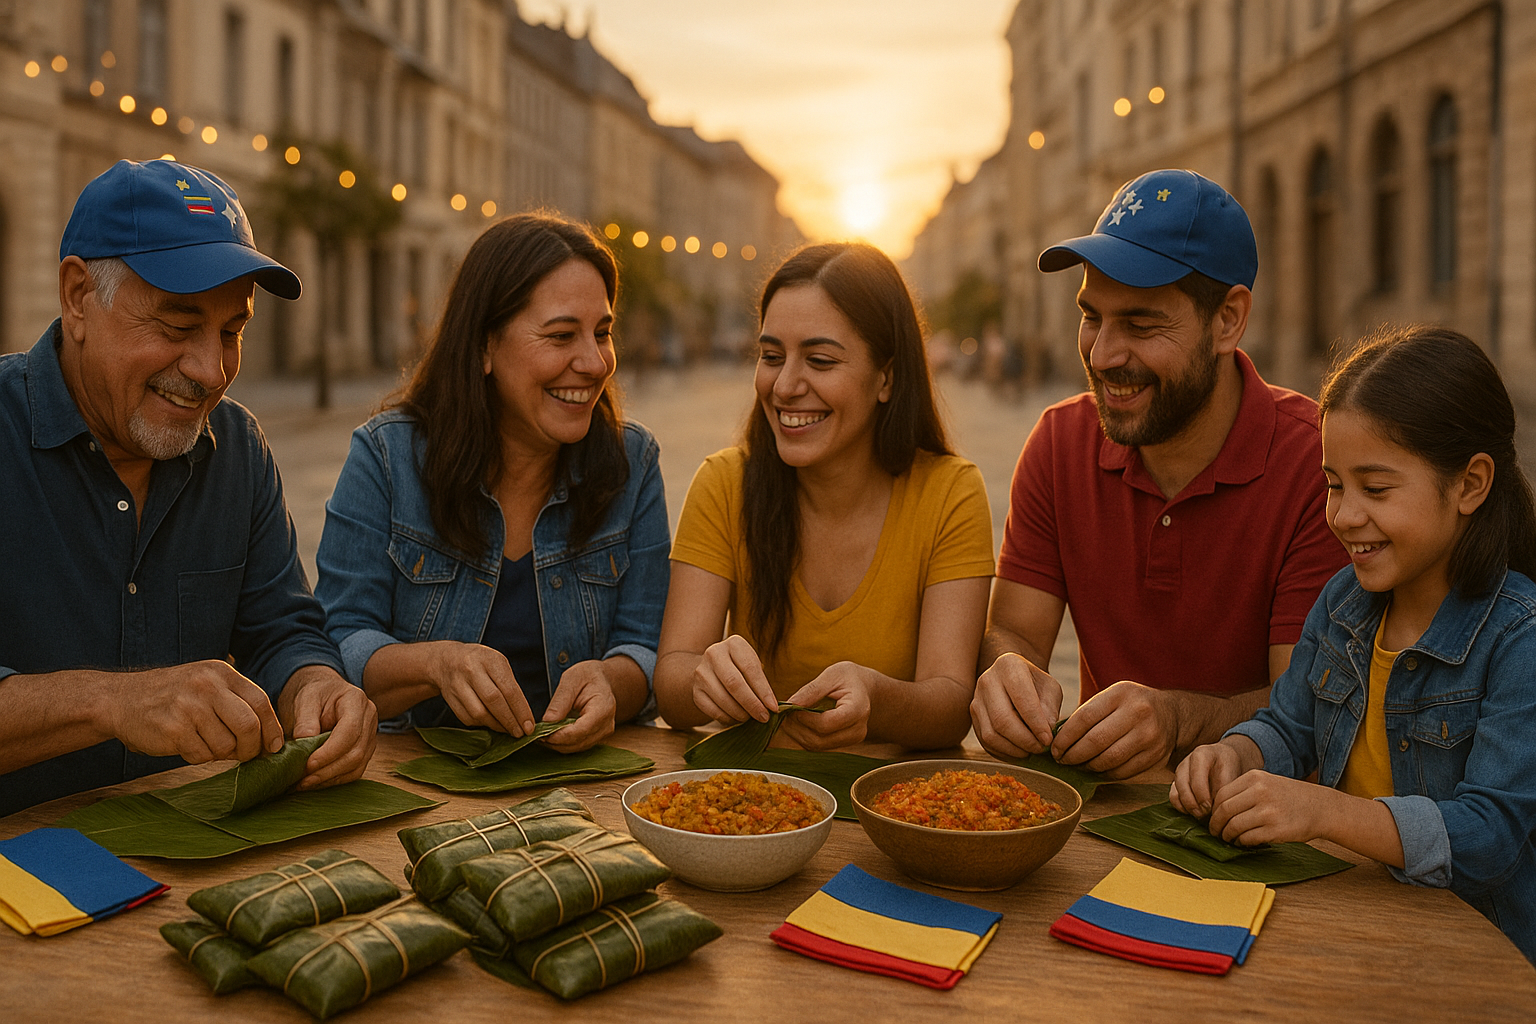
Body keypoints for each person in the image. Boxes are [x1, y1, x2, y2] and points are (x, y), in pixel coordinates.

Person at [0, 159, 377, 816]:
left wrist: (315, 686)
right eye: (176, 327)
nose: (210, 370)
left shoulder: (238, 447)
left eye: (232, 332)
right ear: (78, 297)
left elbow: (282, 628)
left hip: (190, 867)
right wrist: (111, 703)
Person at [1172, 325, 1536, 963]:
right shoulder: (1344, 602)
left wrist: (1323, 812)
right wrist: (1233, 754)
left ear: (1471, 484)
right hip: (1363, 930)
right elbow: (1289, 727)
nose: (1341, 515)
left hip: (1482, 958)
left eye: (1376, 488)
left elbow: (1487, 838)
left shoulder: (1518, 637)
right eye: (1334, 484)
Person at [971, 168, 1349, 778]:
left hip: (1262, 818)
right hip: (1110, 809)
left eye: (1142, 325)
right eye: (1092, 317)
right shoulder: (1058, 442)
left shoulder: (1317, 462)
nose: (1102, 355)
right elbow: (1013, 628)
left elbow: (1305, 707)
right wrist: (1006, 673)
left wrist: (1178, 718)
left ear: (1228, 319)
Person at [315, 213, 668, 753]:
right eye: (560, 336)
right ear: (483, 346)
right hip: (415, 780)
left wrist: (612, 683)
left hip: (581, 786)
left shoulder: (633, 461)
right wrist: (436, 665)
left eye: (602, 333)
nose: (595, 363)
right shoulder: (386, 456)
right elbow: (340, 642)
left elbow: (645, 647)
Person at [655, 242, 994, 750]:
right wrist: (703, 678)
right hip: (748, 804)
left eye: (819, 360)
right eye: (771, 357)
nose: (786, 385)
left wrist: (877, 699)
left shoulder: (950, 493)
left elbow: (949, 705)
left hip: (888, 806)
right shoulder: (724, 483)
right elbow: (671, 684)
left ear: (886, 377)